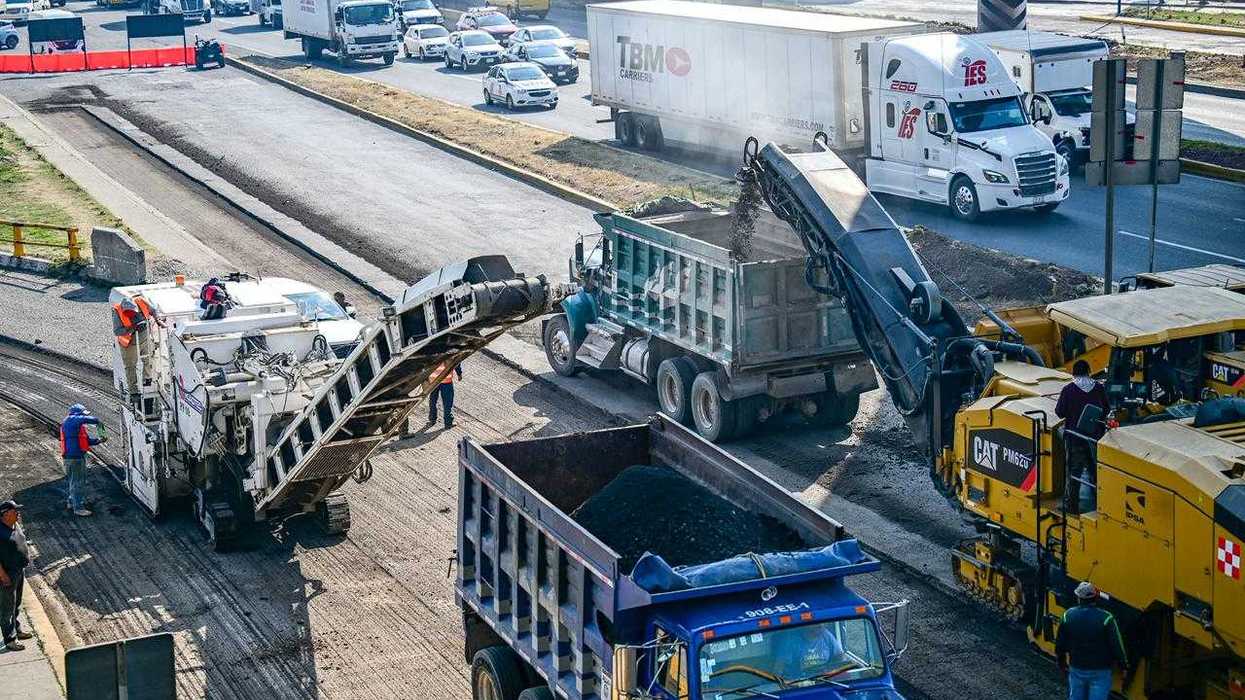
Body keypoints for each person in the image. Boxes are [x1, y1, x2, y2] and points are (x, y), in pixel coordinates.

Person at [1055, 581, 1128, 700]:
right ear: (1095, 598)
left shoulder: (1068, 615)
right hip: (1100, 671)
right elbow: (1116, 645)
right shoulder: (1107, 618)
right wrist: (1124, 666)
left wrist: (1061, 662)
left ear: (1078, 598)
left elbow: (1060, 643)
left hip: (1077, 667)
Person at [1055, 360, 1109, 514]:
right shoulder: (1098, 388)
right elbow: (1106, 408)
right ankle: (1100, 504)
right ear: (1089, 371)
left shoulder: (1068, 390)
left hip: (1075, 438)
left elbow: (1059, 412)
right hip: (1095, 437)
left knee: (1074, 471)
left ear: (1074, 373)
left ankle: (1071, 506)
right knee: (1095, 470)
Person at [60, 404, 105, 517]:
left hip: (74, 457)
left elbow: (86, 441)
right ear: (76, 413)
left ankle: (72, 502)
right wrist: (97, 421)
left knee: (74, 481)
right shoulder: (70, 421)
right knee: (78, 482)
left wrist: (98, 441)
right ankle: (78, 508)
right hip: (74, 458)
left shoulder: (75, 427)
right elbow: (83, 419)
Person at [112, 295, 159, 399]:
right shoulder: (117, 311)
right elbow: (117, 331)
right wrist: (133, 328)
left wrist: (157, 319)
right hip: (128, 342)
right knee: (130, 367)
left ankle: (147, 379)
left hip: (144, 337)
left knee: (149, 358)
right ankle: (134, 391)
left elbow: (154, 309)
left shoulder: (141, 301)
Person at [0, 500, 33, 652]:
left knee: (17, 603)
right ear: (5, 514)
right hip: (7, 575)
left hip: (19, 570)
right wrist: (3, 575)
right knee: (7, 607)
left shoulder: (15, 524)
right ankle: (10, 640)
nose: (18, 513)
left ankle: (17, 629)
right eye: (15, 511)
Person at [428, 361, 463, 429]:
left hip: (433, 380)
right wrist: (459, 373)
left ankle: (432, 419)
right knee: (447, 402)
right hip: (446, 380)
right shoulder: (449, 350)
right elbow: (457, 361)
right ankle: (448, 422)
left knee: (433, 400)